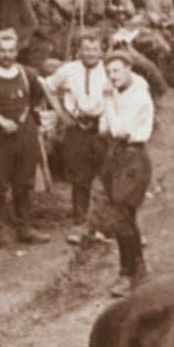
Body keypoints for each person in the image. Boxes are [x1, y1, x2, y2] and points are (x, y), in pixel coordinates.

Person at [0, 28, 50, 245]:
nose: (7, 55)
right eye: (2, 51)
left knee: (23, 182)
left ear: (17, 51)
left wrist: (27, 114)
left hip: (25, 135)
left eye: (11, 51)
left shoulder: (28, 74)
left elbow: (37, 95)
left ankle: (24, 227)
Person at [98, 49, 154, 299]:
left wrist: (108, 101)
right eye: (108, 72)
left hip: (133, 156)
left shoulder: (138, 95)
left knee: (119, 214)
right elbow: (104, 128)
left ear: (129, 68)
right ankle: (139, 268)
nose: (112, 76)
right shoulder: (119, 91)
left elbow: (118, 129)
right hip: (116, 155)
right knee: (124, 214)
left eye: (116, 70)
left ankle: (127, 273)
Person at [43, 32, 109, 239]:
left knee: (109, 175)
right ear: (78, 50)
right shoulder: (68, 70)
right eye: (86, 49)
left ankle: (108, 223)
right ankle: (80, 223)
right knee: (81, 178)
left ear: (102, 50)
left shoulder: (110, 70)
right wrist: (62, 114)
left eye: (94, 49)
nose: (90, 54)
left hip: (103, 130)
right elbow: (47, 86)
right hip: (77, 129)